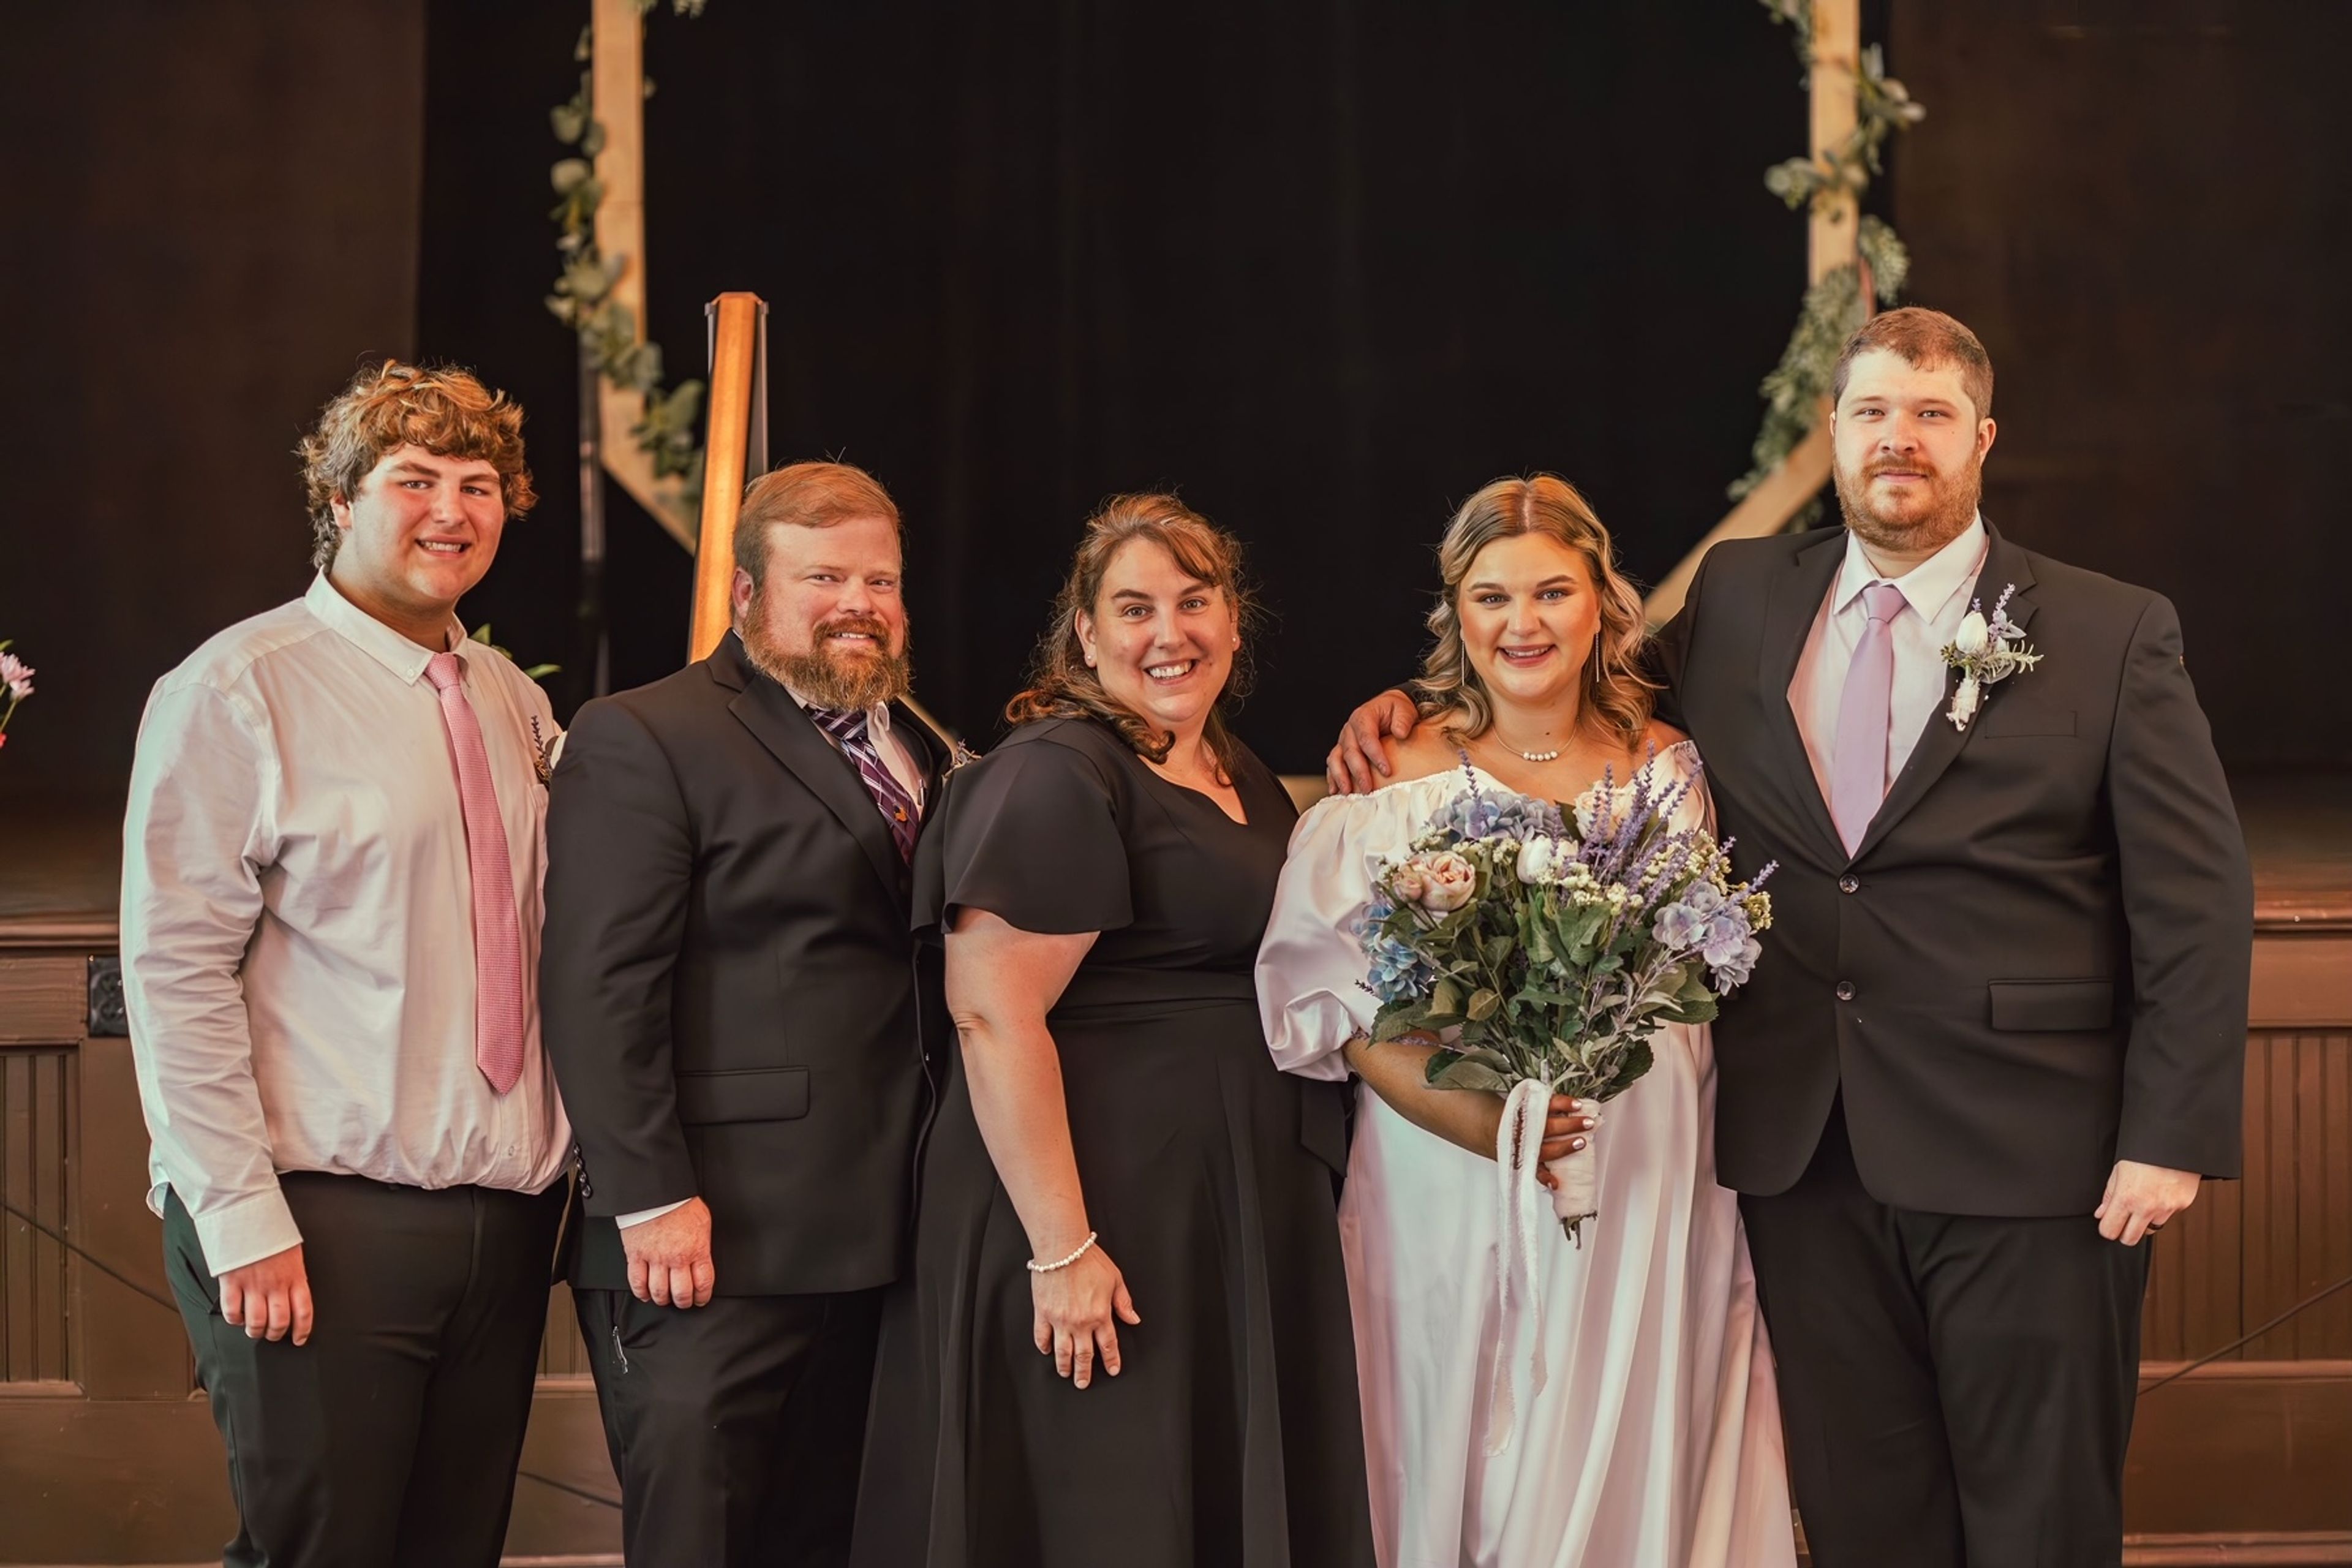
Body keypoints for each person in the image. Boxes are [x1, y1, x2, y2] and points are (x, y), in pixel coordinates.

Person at [1327, 309, 2255, 1567]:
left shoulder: (2110, 629)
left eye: (1931, 414)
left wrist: (2168, 1135)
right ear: (1834, 433)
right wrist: (1419, 707)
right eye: (1873, 412)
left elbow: (2195, 899)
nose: (1899, 440)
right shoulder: (1745, 590)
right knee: (1869, 1516)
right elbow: (1573, 688)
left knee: (2039, 1516)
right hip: (1802, 1155)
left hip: (2034, 1158)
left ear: (1982, 438)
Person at [1258, 475, 1795, 1568]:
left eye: (1554, 592)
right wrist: (1472, 1111)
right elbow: (1319, 998)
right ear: (1456, 610)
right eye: (1492, 597)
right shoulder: (1390, 774)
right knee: (1474, 1406)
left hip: (1655, 1149)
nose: (1524, 623)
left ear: (1605, 600)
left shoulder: (1674, 764)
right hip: (1454, 1162)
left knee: (1646, 1388)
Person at [853, 494, 1374, 1568]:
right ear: (1085, 633)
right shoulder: (1062, 768)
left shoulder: (1236, 774)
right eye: (1133, 609)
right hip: (1096, 1213)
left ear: (1235, 618)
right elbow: (991, 1013)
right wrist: (1064, 1248)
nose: (1169, 634)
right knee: (1111, 1507)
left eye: (1195, 601)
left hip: (1209, 1216)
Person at [121, 361, 571, 1567]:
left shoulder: (508, 699)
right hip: (318, 1218)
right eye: (413, 478)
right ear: (338, 498)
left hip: (502, 1216)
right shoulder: (236, 689)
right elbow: (175, 974)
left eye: (480, 484)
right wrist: (238, 1213)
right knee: (321, 1552)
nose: (452, 509)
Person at [539, 461, 948, 1568]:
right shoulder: (646, 734)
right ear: (747, 594)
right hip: (711, 1243)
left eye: (882, 579)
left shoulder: (923, 746)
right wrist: (650, 1197)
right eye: (824, 576)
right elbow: (598, 982)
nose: (860, 603)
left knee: (838, 1539)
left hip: (890, 1235)